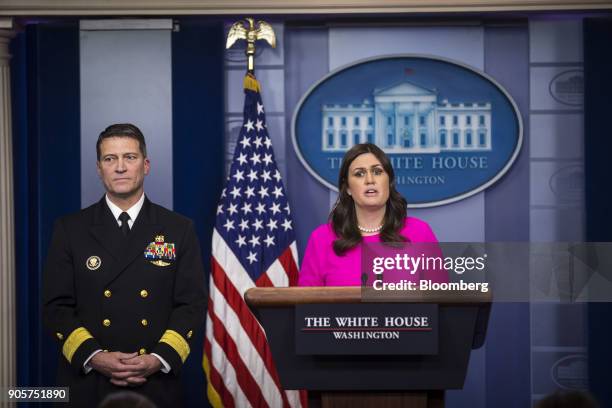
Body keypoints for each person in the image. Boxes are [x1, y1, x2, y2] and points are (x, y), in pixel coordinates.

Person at [42, 124, 206, 407]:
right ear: (99, 168)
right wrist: (95, 357)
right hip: (88, 384)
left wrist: (158, 358)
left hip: (156, 382)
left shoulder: (178, 229)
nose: (120, 167)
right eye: (110, 159)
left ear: (146, 165)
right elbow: (56, 307)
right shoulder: (70, 229)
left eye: (129, 157)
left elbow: (191, 304)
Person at [299, 143, 447, 286]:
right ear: (348, 188)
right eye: (359, 174)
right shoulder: (321, 239)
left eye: (377, 172)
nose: (370, 180)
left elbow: (442, 301)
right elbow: (307, 305)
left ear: (388, 182)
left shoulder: (420, 233)